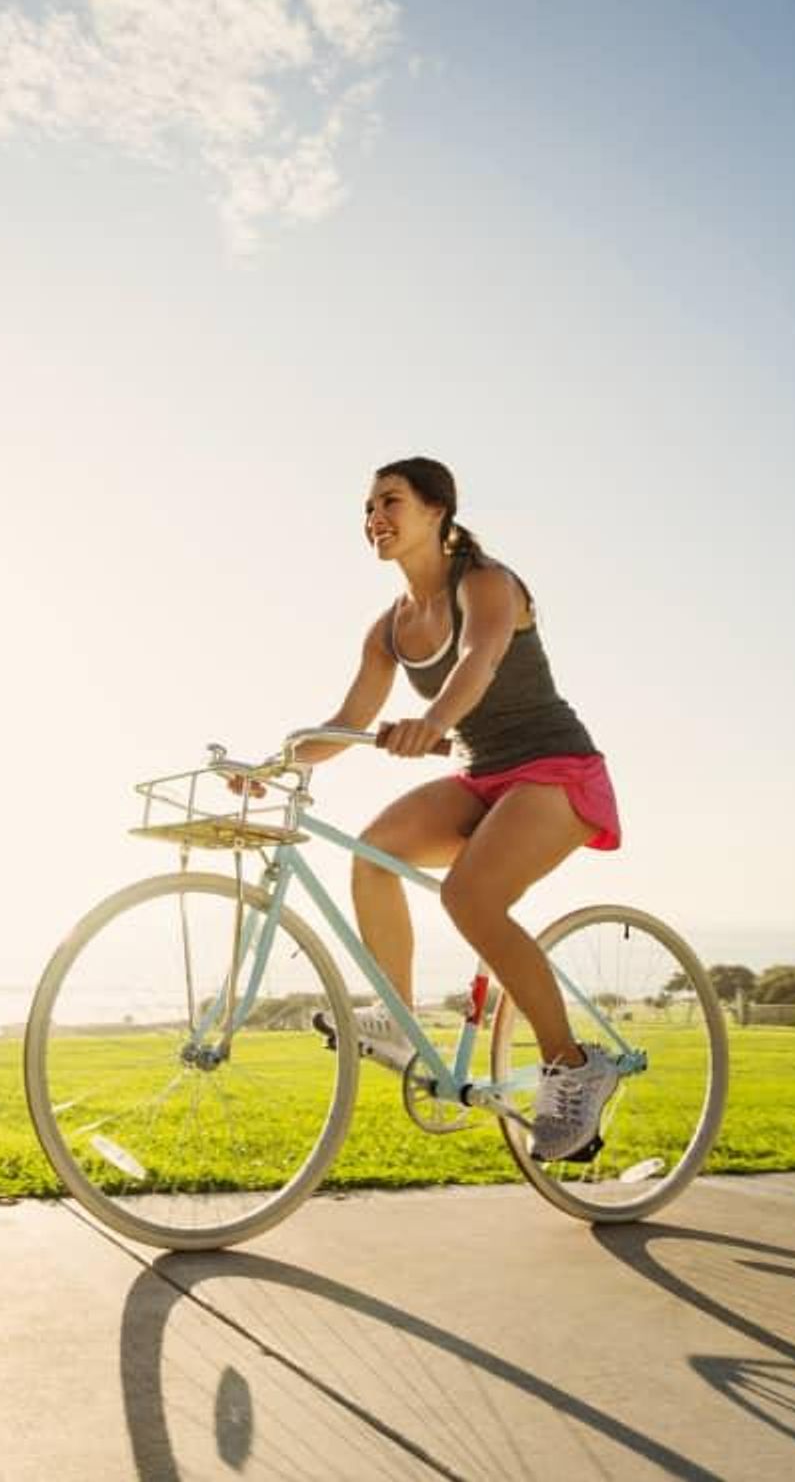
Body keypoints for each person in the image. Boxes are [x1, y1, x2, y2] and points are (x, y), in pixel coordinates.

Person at [295, 457, 623, 1162]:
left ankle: (572, 1065)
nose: (374, 519)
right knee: (373, 853)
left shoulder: (486, 582)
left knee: (469, 897)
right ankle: (395, 1016)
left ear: (436, 510)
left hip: (556, 769)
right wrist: (279, 765)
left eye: (390, 502)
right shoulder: (390, 628)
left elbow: (478, 659)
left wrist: (433, 723)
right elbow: (350, 719)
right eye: (368, 508)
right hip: (484, 777)